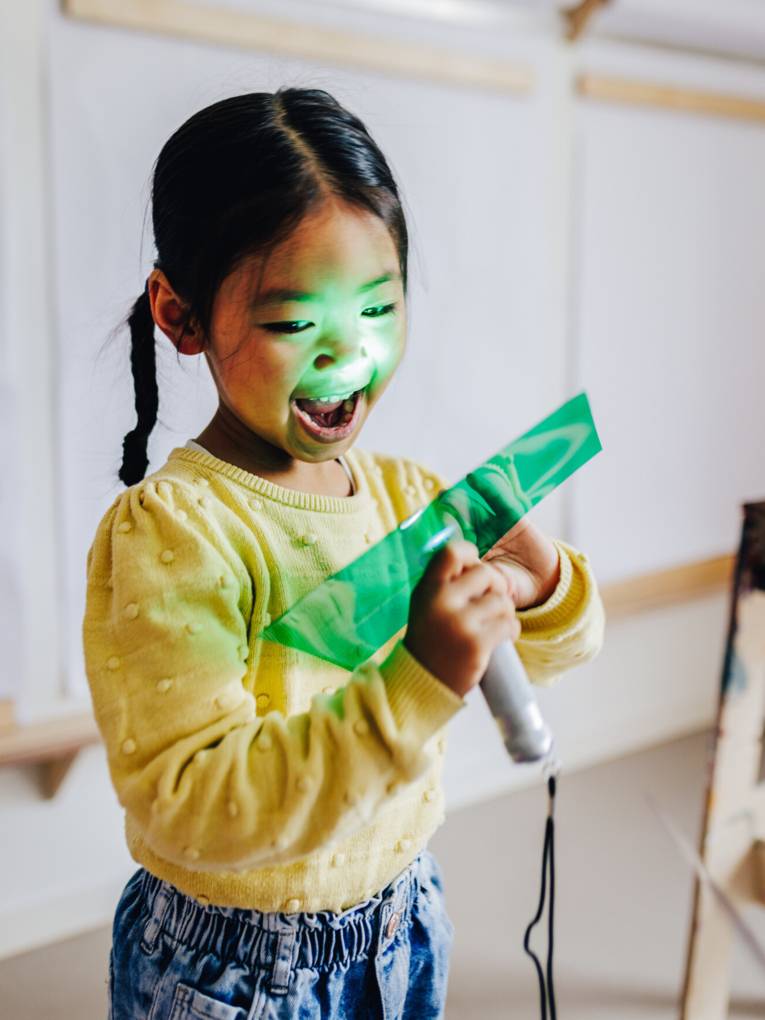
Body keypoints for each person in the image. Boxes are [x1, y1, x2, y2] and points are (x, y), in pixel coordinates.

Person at [82, 87, 605, 1020]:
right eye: (294, 324)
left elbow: (557, 654)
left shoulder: (402, 497)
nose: (350, 358)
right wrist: (417, 679)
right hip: (234, 965)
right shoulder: (175, 531)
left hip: (402, 921)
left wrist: (541, 590)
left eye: (377, 308)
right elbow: (196, 801)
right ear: (181, 314)